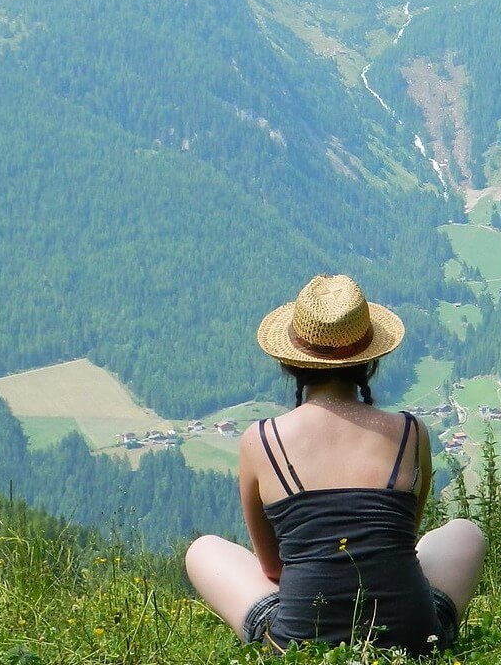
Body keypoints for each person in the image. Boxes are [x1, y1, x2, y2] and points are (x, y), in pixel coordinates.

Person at [185, 274, 485, 656]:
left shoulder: (260, 441)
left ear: (292, 363)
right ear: (370, 361)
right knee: (464, 532)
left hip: (297, 643)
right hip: (412, 641)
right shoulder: (411, 433)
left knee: (204, 549)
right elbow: (401, 541)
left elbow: (273, 568)